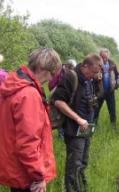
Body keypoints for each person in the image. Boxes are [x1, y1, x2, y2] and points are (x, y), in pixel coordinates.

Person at [0, 48, 61, 192]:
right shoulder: (29, 95)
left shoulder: (14, 86)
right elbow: (28, 143)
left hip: (16, 168)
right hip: (26, 175)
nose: (51, 78)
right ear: (42, 68)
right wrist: (38, 177)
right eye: (52, 73)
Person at [51, 53, 102, 192]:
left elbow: (94, 96)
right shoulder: (70, 77)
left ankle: (82, 187)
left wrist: (97, 80)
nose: (94, 75)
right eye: (93, 72)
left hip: (87, 127)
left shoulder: (90, 79)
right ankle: (72, 189)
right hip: (74, 129)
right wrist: (78, 119)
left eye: (97, 72)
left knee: (83, 161)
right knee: (74, 163)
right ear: (85, 66)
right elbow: (58, 101)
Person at [95, 48, 119, 129]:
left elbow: (118, 75)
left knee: (112, 110)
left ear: (108, 56)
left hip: (110, 91)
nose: (104, 59)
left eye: (105, 57)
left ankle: (113, 126)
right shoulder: (96, 65)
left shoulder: (113, 63)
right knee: (96, 110)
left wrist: (116, 84)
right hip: (100, 92)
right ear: (100, 56)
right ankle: (94, 126)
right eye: (102, 57)